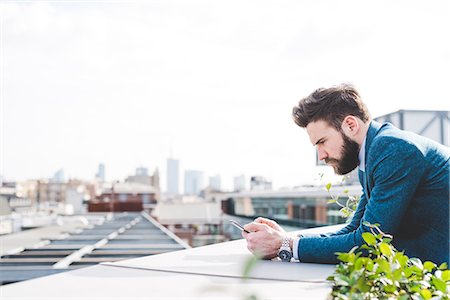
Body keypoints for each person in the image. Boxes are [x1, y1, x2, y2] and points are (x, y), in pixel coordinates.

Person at [242, 84, 450, 265]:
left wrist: (283, 245)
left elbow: (366, 243)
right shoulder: (372, 154)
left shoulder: (393, 149)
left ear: (350, 125)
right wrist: (284, 239)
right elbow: (353, 230)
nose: (321, 155)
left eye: (322, 142)